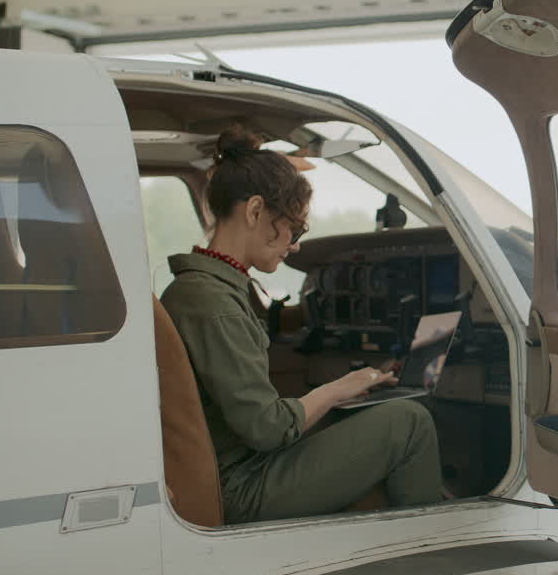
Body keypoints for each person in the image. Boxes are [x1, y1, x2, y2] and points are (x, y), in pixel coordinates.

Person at [160, 125, 443, 524]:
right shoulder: (213, 304)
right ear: (256, 211)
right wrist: (340, 387)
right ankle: (429, 545)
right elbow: (268, 430)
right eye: (296, 228)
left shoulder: (200, 290)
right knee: (409, 423)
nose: (295, 246)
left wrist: (348, 389)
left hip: (233, 466)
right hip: (240, 484)